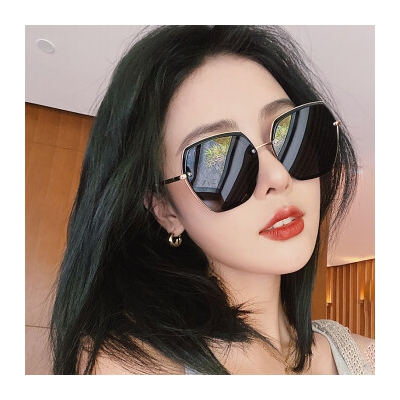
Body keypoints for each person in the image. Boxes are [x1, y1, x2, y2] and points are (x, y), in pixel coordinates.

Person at [50, 25, 375, 375]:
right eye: (216, 161)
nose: (278, 176)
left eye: (288, 131)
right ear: (166, 210)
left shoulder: (370, 361)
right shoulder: (130, 367)